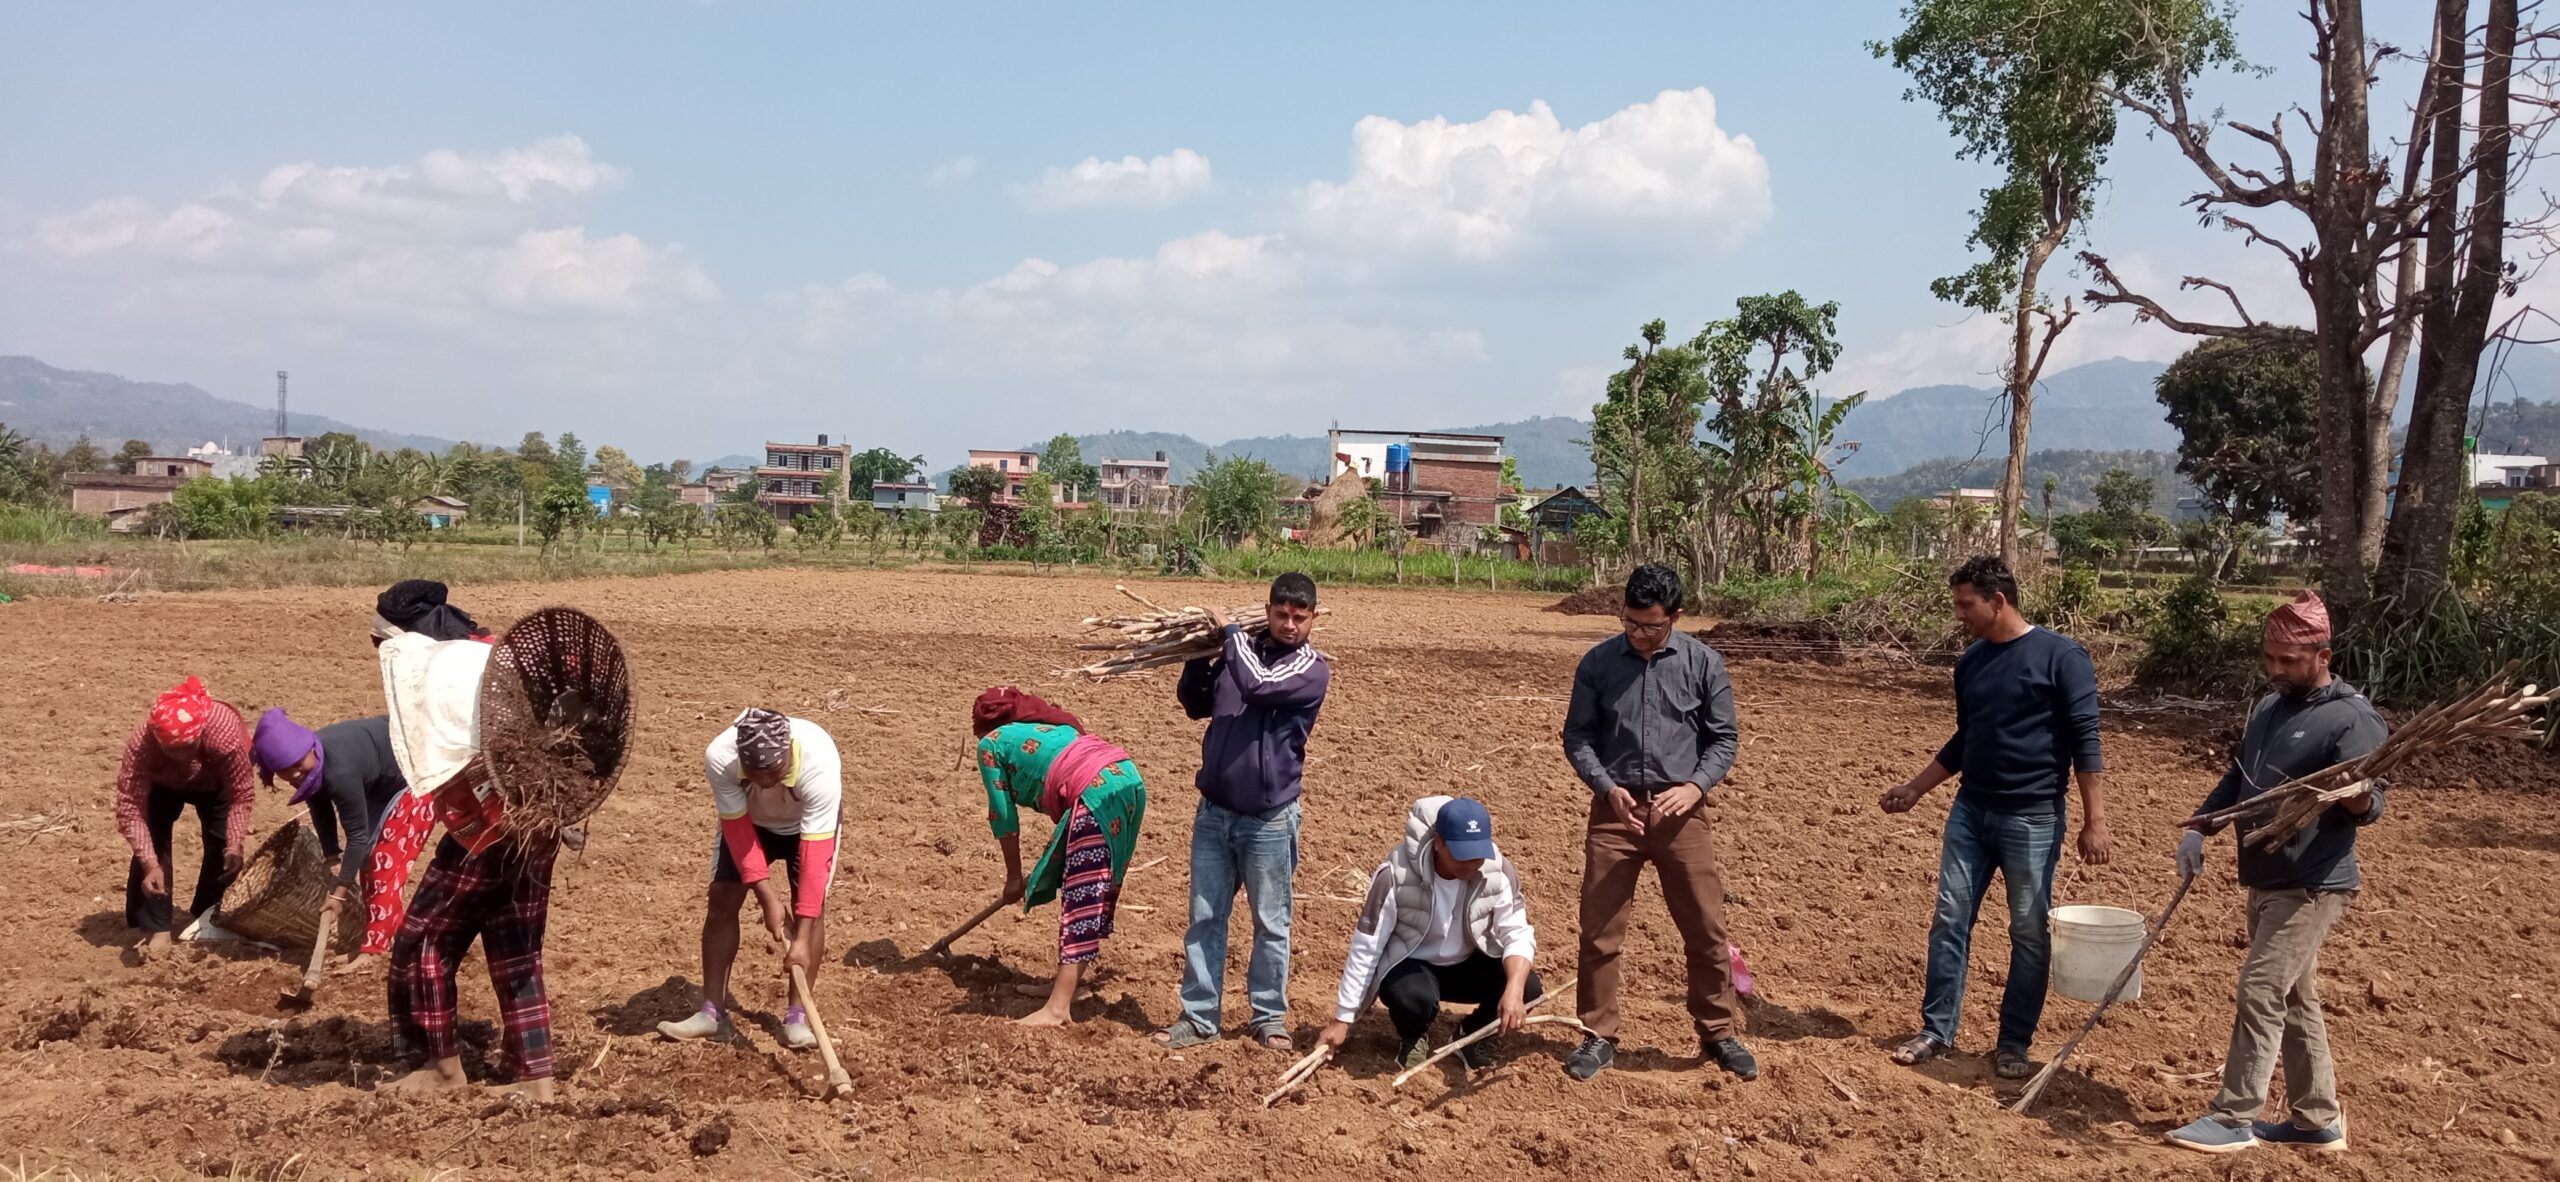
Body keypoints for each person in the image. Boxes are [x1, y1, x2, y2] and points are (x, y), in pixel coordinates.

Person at [2164, 592, 2384, 1155]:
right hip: (2263, 875)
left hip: (2311, 882)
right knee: (2293, 998)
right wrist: (2200, 828)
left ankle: (2235, 1115)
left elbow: (2371, 807)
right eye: (2271, 658)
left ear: (2323, 654)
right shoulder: (2268, 708)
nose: (2277, 669)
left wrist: (2355, 796)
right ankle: (2317, 1120)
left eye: (2289, 661)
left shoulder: (2352, 718)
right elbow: (2239, 781)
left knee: (2261, 988)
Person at [1880, 555, 2113, 1079]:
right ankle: (1937, 1030)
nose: (1960, 614)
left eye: (1967, 605)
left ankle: (2013, 1043)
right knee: (1949, 920)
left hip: (2032, 819)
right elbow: (1969, 737)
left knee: (2029, 932)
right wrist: (1916, 788)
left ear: (1998, 600)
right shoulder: (1971, 663)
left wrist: (2095, 820)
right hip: (1971, 812)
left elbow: (2086, 743)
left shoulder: (2062, 657)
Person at [1560, 563, 1756, 1081]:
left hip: (1683, 817)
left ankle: (1718, 1032)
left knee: (1705, 927)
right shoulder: (1598, 664)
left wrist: (1693, 788)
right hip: (1615, 815)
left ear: (1676, 616)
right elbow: (1577, 737)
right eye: (1630, 623)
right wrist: (1608, 788)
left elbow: (1724, 740)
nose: (1639, 635)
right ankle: (1598, 1033)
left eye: (1651, 626)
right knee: (1599, 931)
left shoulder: (1704, 664)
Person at [1154, 572, 1330, 1052]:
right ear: (1268, 610)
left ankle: (1269, 1019)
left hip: (1268, 820)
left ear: (1313, 619)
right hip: (1214, 812)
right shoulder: (1240, 654)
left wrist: (1230, 635)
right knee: (1205, 918)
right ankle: (1198, 1018)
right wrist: (1196, 655)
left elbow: (1258, 685)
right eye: (1281, 614)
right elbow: (1197, 705)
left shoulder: (1310, 668)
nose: (1289, 625)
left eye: (1299, 617)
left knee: (1271, 922)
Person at [656, 708, 841, 1048]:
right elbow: (739, 834)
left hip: (806, 828)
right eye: (756, 777)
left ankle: (797, 1019)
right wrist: (767, 899)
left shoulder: (820, 763)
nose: (766, 783)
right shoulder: (720, 757)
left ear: (788, 754)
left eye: (774, 774)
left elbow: (815, 859)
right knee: (723, 896)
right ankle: (712, 1014)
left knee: (810, 915)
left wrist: (799, 941)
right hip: (750, 823)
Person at [967, 688, 1148, 1026]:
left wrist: (1012, 877)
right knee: (1088, 888)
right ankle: (1064, 986)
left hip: (1094, 792)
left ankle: (1057, 1008)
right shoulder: (1051, 725)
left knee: (1082, 894)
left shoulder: (990, 744)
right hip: (1128, 781)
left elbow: (1002, 816)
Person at [1316, 797, 1539, 1071]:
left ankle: (1472, 1034)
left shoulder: (1498, 871)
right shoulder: (1395, 875)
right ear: (1439, 843)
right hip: (1412, 964)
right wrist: (1343, 1019)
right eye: (1462, 854)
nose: (1472, 864)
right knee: (1415, 999)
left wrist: (1514, 990)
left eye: (1478, 854)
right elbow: (1367, 944)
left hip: (1467, 963)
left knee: (1528, 986)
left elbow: (1517, 932)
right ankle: (1413, 1037)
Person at [355, 581, 496, 968]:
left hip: (448, 774)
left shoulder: (446, 663)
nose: (379, 653)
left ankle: (378, 947)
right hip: (485, 788)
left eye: (380, 643)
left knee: (386, 857)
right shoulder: (480, 644)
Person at [250, 709, 407, 972]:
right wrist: (331, 857)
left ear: (312, 747)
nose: (296, 775)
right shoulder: (316, 766)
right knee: (368, 859)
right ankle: (375, 940)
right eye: (286, 772)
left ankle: (377, 949)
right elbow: (320, 809)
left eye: (299, 765)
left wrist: (339, 894)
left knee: (382, 859)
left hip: (407, 774)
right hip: (376, 780)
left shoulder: (339, 772)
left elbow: (356, 837)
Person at [115, 676, 255, 959]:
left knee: (221, 844)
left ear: (201, 733)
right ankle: (156, 927)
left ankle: (206, 916)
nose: (180, 757)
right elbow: (130, 806)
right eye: (171, 750)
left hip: (214, 782)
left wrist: (235, 842)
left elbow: (241, 795)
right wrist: (150, 863)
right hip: (162, 783)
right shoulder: (142, 743)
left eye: (185, 748)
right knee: (154, 843)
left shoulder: (226, 734)